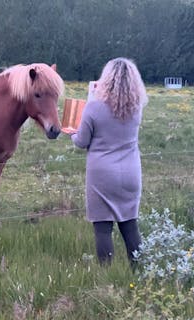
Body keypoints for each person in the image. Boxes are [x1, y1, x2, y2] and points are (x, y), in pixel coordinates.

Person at [62, 58, 148, 266]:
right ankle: (141, 272)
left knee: (103, 228)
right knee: (130, 226)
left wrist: (72, 133)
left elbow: (82, 142)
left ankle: (107, 277)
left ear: (106, 79)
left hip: (102, 175)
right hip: (130, 173)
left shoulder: (93, 108)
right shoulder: (136, 108)